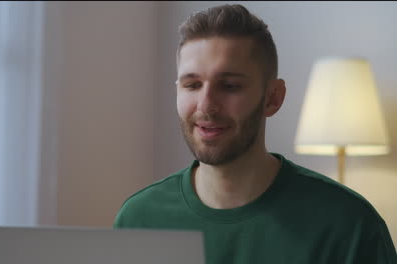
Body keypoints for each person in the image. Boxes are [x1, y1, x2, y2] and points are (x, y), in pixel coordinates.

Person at [113, 4, 397, 264]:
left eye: (230, 85)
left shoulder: (348, 225)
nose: (206, 105)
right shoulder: (139, 217)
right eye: (192, 84)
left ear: (273, 98)